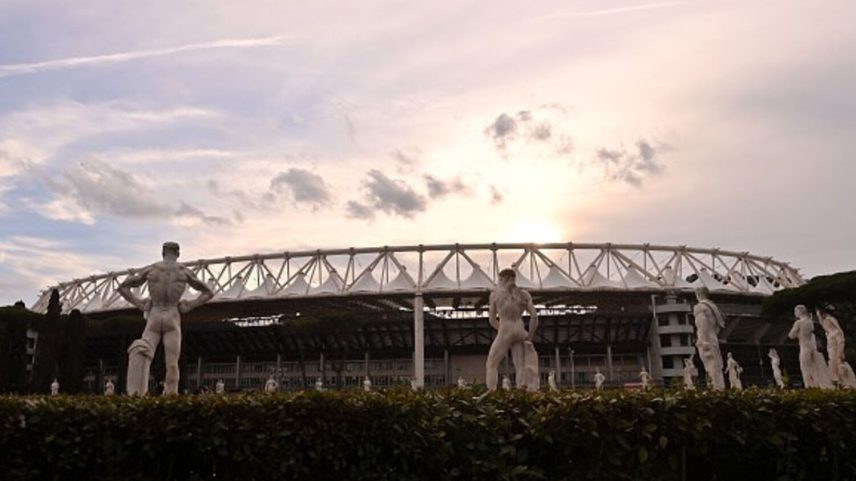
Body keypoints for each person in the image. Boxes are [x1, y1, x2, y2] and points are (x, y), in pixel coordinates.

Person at [118, 242, 214, 395]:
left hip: (154, 315)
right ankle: (171, 397)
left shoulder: (151, 269)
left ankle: (136, 395)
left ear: (163, 252)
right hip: (172, 315)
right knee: (172, 363)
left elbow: (122, 287)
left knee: (143, 352)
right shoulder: (184, 272)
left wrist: (139, 304)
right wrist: (191, 305)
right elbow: (209, 292)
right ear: (178, 254)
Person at [486, 268, 539, 391]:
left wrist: (501, 330)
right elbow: (534, 317)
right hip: (520, 328)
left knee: (491, 363)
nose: (498, 282)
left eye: (500, 279)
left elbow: (492, 320)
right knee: (520, 365)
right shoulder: (524, 294)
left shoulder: (495, 295)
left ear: (505, 279)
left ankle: (491, 392)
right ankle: (522, 392)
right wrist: (530, 335)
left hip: (506, 327)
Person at [788, 305, 833, 388]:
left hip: (804, 347)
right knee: (814, 368)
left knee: (806, 369)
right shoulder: (810, 321)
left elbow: (791, 335)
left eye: (795, 311)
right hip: (811, 346)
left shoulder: (799, 322)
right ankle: (818, 385)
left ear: (799, 311)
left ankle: (810, 386)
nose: (795, 313)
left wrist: (798, 333)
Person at [693, 287, 725, 390]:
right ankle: (720, 388)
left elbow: (702, 324)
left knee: (709, 367)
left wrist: (703, 340)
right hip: (713, 338)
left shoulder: (700, 307)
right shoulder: (714, 307)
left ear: (698, 294)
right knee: (717, 366)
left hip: (705, 340)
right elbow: (719, 326)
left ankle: (714, 389)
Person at [818, 308, 846, 384]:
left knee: (839, 369)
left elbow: (841, 342)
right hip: (831, 354)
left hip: (837, 354)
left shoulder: (836, 332)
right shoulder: (829, 334)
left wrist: (840, 354)